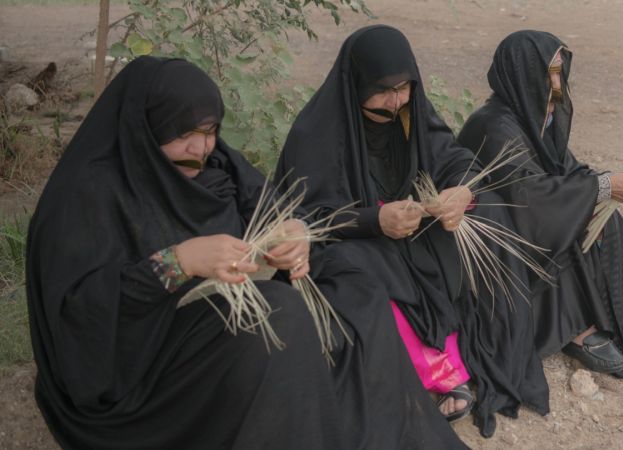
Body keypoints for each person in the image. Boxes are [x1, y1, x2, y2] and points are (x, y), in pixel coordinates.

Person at [25, 56, 458, 449]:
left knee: (353, 281)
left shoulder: (218, 168)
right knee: (279, 312)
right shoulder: (89, 196)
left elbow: (272, 212)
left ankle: (355, 431)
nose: (200, 149)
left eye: (209, 131)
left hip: (231, 301)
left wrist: (292, 240)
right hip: (147, 353)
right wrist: (179, 262)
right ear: (145, 129)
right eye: (183, 135)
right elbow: (80, 315)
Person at [277, 25, 550, 439]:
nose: (397, 100)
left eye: (404, 87)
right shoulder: (315, 136)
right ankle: (433, 371)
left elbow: (452, 157)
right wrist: (374, 220)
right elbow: (303, 217)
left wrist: (461, 191)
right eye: (384, 90)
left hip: (411, 233)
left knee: (487, 209)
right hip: (353, 242)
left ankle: (496, 347)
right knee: (356, 265)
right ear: (356, 84)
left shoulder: (408, 113)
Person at [458, 30, 623, 381]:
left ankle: (621, 321)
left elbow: (567, 173)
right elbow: (530, 199)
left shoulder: (535, 115)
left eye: (560, 72)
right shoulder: (493, 126)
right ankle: (575, 328)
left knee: (602, 218)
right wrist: (601, 187)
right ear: (522, 72)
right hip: (500, 239)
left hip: (534, 215)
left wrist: (613, 181)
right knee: (570, 220)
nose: (558, 83)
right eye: (550, 73)